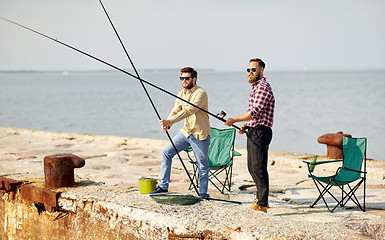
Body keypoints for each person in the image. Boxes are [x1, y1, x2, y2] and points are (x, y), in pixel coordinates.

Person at [149, 67, 211, 198]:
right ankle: (163, 186)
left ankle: (203, 193)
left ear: (194, 79)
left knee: (202, 165)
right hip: (186, 132)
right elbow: (176, 110)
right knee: (166, 152)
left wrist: (170, 120)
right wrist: (168, 124)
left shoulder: (201, 93)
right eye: (182, 78)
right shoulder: (181, 94)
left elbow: (189, 110)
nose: (183, 81)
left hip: (200, 134)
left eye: (187, 78)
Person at [224, 58, 275, 213]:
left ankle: (262, 203)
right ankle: (261, 199)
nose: (250, 72)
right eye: (248, 70)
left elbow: (255, 111)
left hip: (261, 132)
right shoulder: (255, 87)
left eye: (253, 69)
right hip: (254, 130)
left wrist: (235, 119)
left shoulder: (263, 87)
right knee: (252, 167)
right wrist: (245, 125)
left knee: (258, 168)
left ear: (261, 70)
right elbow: (254, 115)